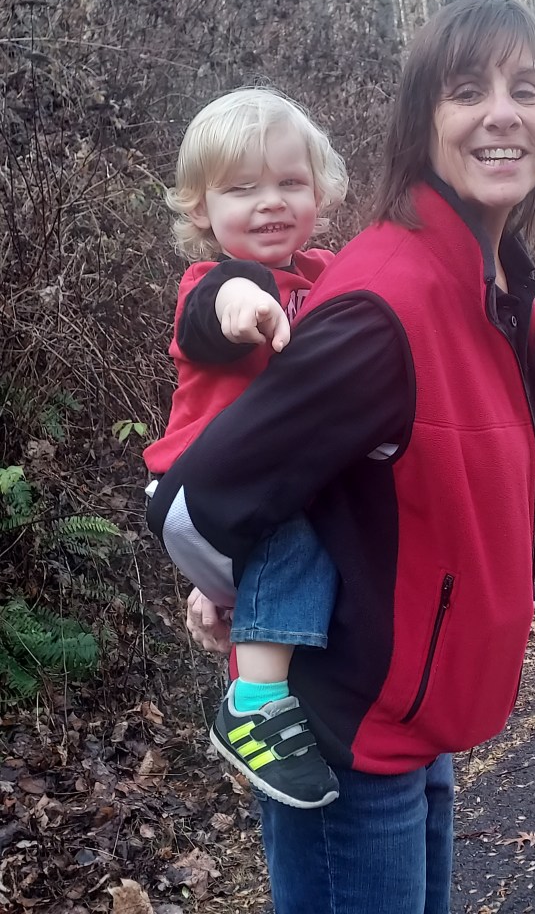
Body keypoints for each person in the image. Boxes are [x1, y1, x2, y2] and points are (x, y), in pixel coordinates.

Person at [148, 0, 535, 914]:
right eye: (467, 90)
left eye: (527, 88)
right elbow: (192, 505)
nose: (503, 113)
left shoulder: (491, 287)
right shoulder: (388, 303)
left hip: (416, 722)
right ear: (421, 120)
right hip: (351, 741)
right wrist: (238, 592)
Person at [143, 87, 349, 809]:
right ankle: (254, 704)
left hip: (261, 495)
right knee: (300, 541)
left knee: (307, 543)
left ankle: (240, 618)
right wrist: (245, 306)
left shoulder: (326, 275)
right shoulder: (214, 280)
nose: (270, 203)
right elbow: (212, 310)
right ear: (201, 209)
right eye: (242, 189)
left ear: (319, 191)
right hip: (208, 482)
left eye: (290, 182)